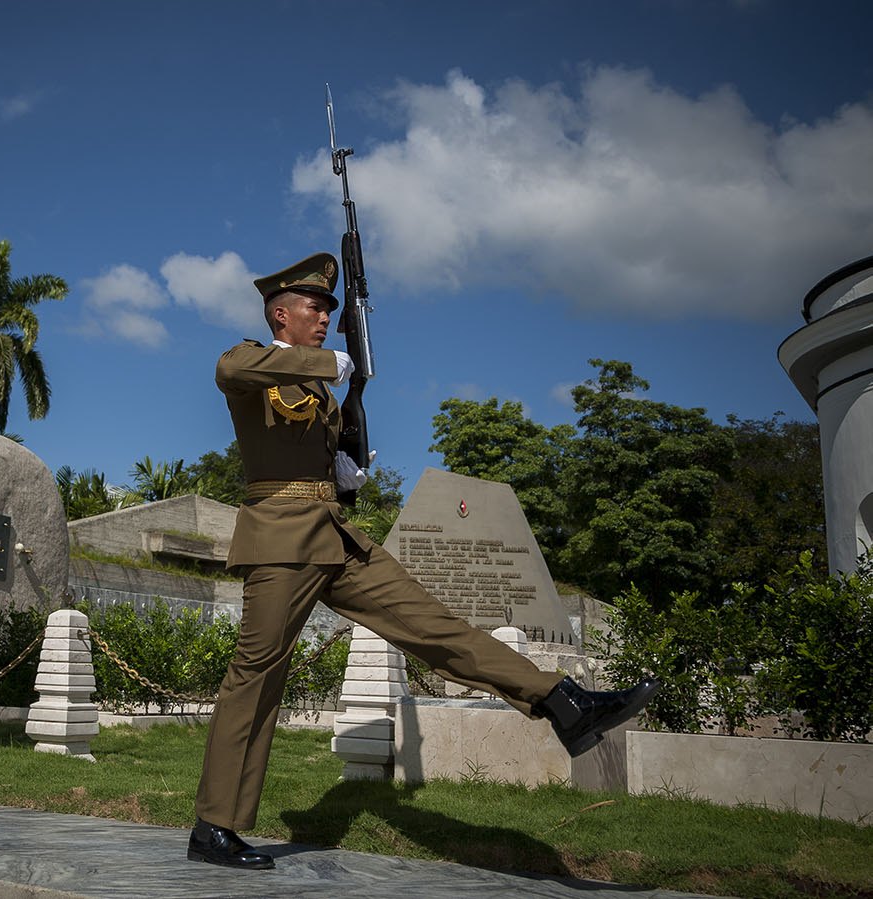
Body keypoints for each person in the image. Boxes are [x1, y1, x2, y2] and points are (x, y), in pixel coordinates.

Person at [187, 252, 660, 871]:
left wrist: (342, 474)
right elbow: (228, 369)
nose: (325, 317)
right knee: (257, 676)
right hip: (279, 541)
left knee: (436, 626)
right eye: (314, 307)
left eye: (330, 309)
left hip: (335, 537)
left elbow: (316, 459)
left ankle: (563, 702)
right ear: (281, 315)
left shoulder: (321, 392)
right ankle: (213, 827)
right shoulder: (256, 361)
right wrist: (329, 364)